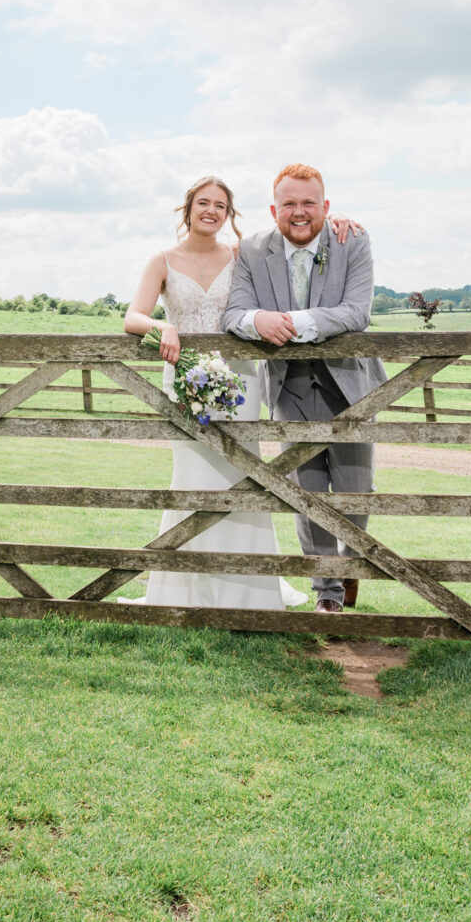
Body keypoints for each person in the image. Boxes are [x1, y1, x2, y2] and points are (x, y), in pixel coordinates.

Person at [120, 174, 360, 610]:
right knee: (193, 477)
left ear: (229, 215)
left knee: (244, 479)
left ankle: (249, 587)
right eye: (203, 203)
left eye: (221, 206)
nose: (211, 211)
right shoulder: (163, 260)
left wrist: (333, 218)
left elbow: (294, 228)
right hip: (187, 380)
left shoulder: (242, 253)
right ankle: (188, 585)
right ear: (187, 208)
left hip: (242, 382)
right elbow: (132, 317)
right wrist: (162, 325)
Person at [222, 163, 386, 613]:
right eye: (289, 204)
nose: (299, 213)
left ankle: (350, 570)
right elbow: (233, 312)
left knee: (356, 492)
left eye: (308, 203)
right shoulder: (252, 250)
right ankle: (327, 596)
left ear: (325, 206)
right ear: (275, 209)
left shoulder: (353, 240)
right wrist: (258, 320)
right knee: (305, 496)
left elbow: (356, 312)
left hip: (352, 384)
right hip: (289, 390)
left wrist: (295, 323)